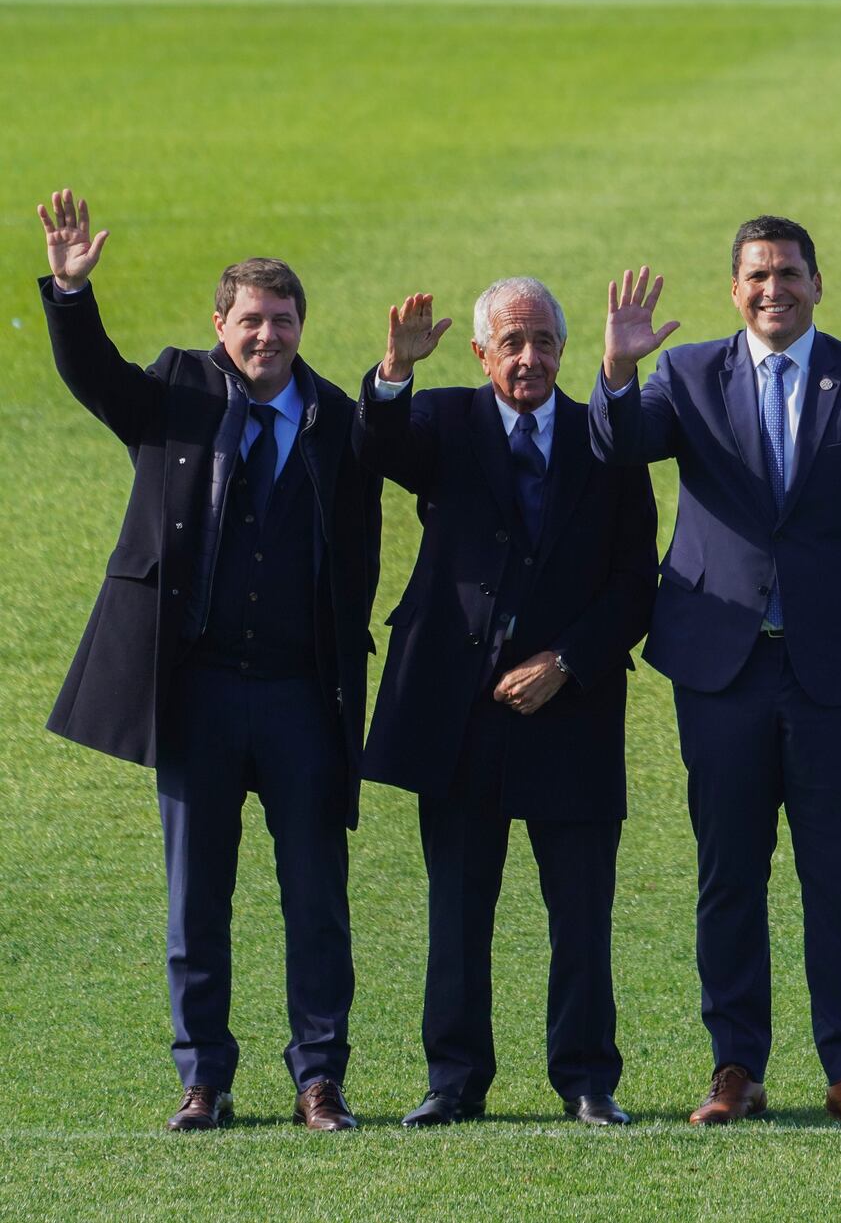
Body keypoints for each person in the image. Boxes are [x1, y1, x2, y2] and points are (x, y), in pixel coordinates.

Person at [35, 189, 382, 1133]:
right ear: (218, 325)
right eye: (250, 320)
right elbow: (98, 378)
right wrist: (71, 294)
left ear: (303, 326)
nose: (266, 335)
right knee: (198, 904)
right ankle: (206, 1080)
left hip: (304, 700)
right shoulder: (179, 391)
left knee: (317, 901)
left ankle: (319, 1079)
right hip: (197, 697)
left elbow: (389, 468)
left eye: (281, 320)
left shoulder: (339, 420)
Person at [591, 217, 841, 1129]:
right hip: (722, 670)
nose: (772, 288)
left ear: (818, 283)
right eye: (756, 275)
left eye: (788, 272)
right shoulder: (689, 373)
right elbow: (618, 444)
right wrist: (620, 370)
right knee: (728, 875)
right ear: (733, 286)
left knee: (840, 875)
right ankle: (735, 1067)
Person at [359, 279, 657, 1129]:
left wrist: (567, 660)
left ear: (564, 349)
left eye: (545, 342)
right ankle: (454, 1081)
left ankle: (588, 1079)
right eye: (512, 343)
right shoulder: (445, 421)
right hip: (457, 708)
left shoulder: (605, 434)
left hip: (572, 705)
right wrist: (392, 370)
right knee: (457, 906)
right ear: (481, 353)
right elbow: (380, 446)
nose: (530, 358)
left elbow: (638, 580)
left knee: (581, 910)